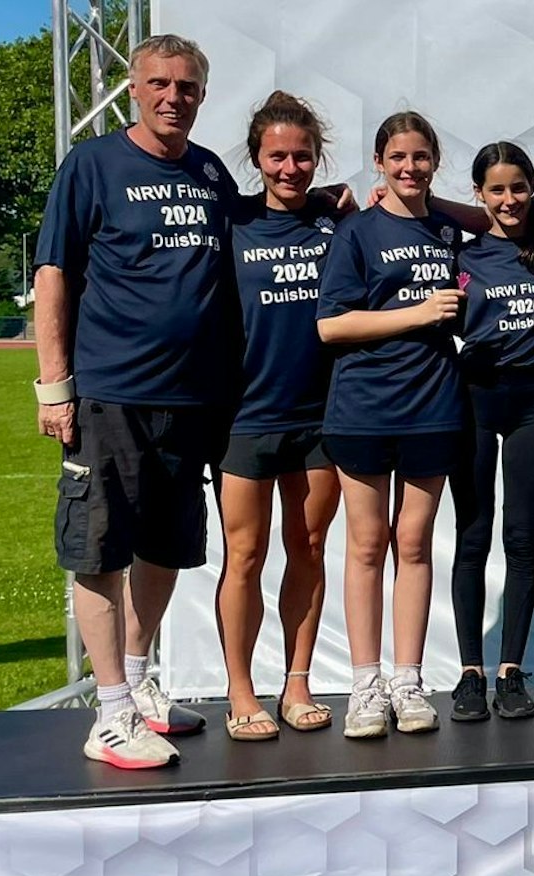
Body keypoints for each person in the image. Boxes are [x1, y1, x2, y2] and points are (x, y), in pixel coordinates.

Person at [34, 34, 231, 767]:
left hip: (191, 399)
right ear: (134, 88)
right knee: (100, 547)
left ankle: (141, 682)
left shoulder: (209, 172)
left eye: (186, 86)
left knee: (167, 546)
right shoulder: (92, 165)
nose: (172, 97)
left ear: (201, 95)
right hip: (111, 393)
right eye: (158, 83)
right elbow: (54, 274)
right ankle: (108, 710)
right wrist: (55, 388)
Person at [315, 111, 466, 738]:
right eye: (398, 156)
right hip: (364, 407)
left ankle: (409, 680)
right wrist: (417, 312)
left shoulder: (451, 231)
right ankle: (365, 685)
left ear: (435, 162)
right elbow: (332, 325)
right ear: (379, 161)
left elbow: (500, 220)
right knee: (367, 545)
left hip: (433, 406)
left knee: (415, 545)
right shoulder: (356, 233)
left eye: (421, 156)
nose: (409, 167)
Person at [213, 91, 345, 742]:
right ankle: (240, 690)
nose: (290, 168)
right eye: (277, 157)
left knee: (310, 549)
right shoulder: (232, 223)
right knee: (244, 555)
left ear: (317, 159)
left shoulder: (334, 224)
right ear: (257, 158)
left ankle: (297, 683)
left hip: (321, 418)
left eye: (302, 156)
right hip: (245, 417)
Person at [446, 143, 534, 722]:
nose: (509, 199)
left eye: (518, 187)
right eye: (496, 190)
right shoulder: (460, 254)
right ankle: (470, 673)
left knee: (521, 538)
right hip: (473, 397)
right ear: (479, 195)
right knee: (473, 537)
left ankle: (511, 671)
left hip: (533, 401)